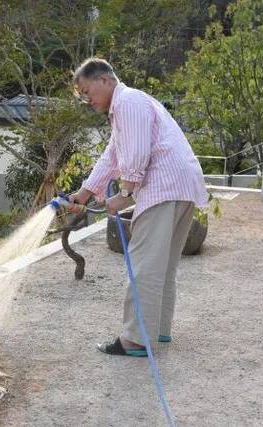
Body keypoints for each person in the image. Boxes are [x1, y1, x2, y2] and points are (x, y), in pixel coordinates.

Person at [70, 58, 208, 357]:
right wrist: (85, 192)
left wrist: (124, 193)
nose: (86, 99)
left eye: (86, 90)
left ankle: (135, 339)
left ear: (105, 80)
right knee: (163, 264)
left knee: (144, 264)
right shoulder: (127, 107)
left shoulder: (128, 103)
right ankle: (157, 331)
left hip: (163, 188)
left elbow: (136, 154)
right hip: (180, 185)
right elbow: (113, 155)